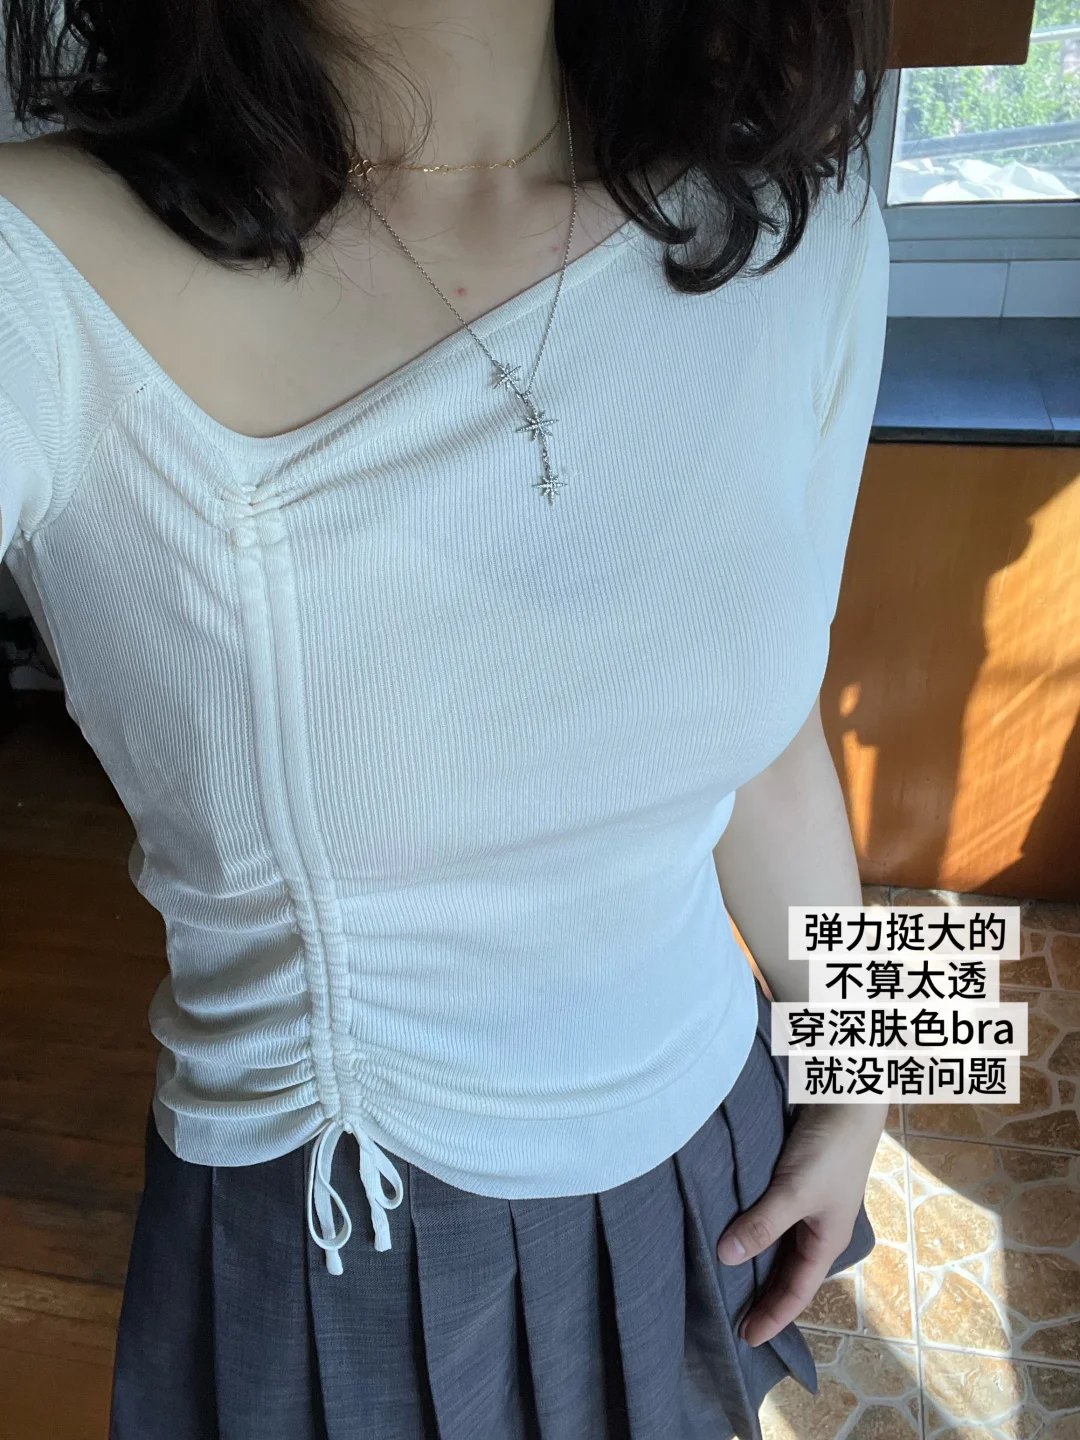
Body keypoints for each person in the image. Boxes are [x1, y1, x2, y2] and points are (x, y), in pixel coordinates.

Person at [0, 0, 894, 1435]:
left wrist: (872, 1087)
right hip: (349, 1238)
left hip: (719, 1137)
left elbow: (777, 730)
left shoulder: (805, 228)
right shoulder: (32, 263)